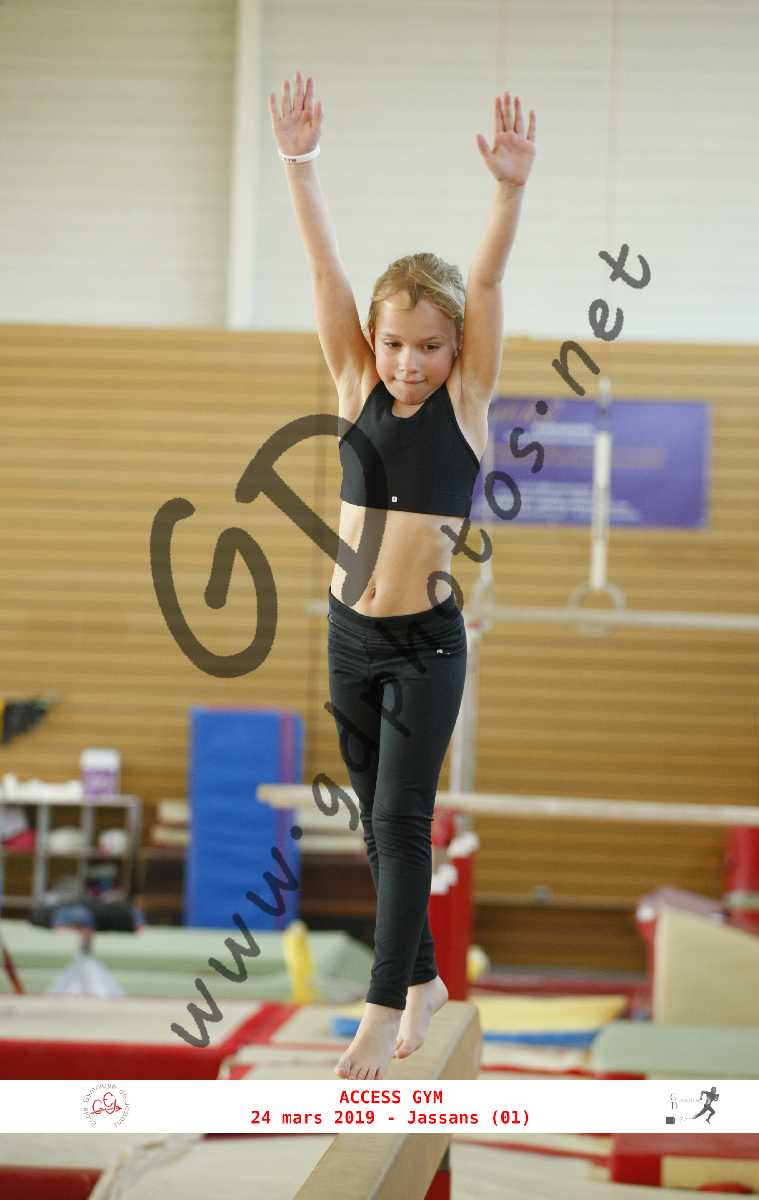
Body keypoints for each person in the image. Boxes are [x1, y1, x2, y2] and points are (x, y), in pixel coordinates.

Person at [270, 69, 536, 1080]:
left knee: (399, 820)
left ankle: (379, 1011)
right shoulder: (355, 384)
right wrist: (300, 162)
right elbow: (324, 266)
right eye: (394, 344)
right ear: (370, 341)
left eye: (429, 347)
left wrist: (506, 191)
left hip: (425, 646)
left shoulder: (466, 405)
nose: (409, 364)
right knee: (377, 839)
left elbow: (488, 286)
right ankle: (420, 980)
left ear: (457, 349)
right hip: (348, 636)